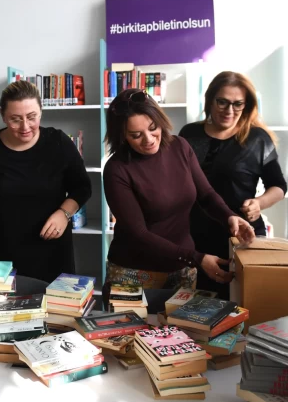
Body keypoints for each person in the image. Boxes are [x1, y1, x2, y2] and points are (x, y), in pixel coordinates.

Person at [102, 88, 255, 296]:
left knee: (181, 320)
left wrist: (229, 216)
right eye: (136, 135)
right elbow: (138, 234)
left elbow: (206, 195)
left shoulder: (180, 147)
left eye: (153, 128)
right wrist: (196, 258)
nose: (149, 139)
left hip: (182, 269)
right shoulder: (117, 169)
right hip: (133, 272)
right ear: (122, 136)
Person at [0, 80, 92, 283]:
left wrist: (64, 213)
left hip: (53, 251)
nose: (25, 127)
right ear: (2, 115)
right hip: (2, 254)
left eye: (32, 117)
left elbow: (82, 187)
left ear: (41, 112)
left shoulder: (58, 142)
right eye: (15, 119)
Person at [180, 71, 287, 298]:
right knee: (192, 310)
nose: (229, 110)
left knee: (241, 306)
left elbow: (278, 186)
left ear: (246, 106)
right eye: (222, 102)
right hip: (195, 237)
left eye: (238, 104)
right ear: (210, 101)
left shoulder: (258, 138)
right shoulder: (189, 133)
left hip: (240, 236)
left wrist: (259, 203)